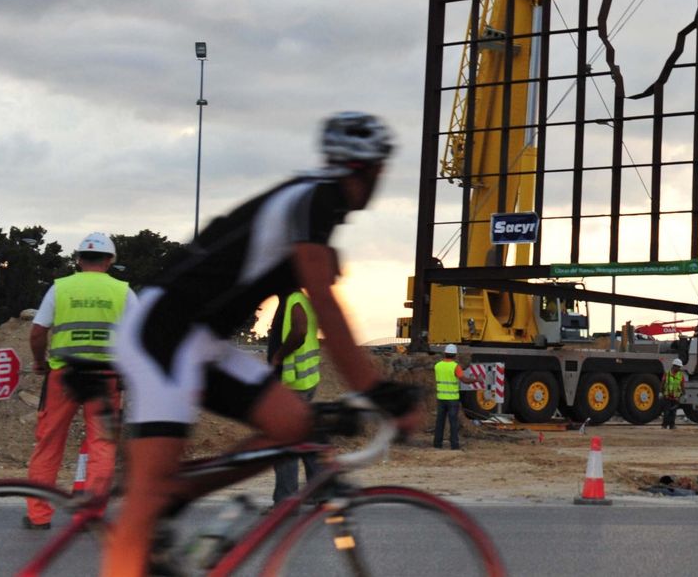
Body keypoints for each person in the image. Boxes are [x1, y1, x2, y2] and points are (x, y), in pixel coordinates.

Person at [104, 112, 421, 575]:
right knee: (146, 495)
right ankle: (150, 518)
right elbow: (326, 308)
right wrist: (378, 391)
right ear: (367, 170)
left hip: (199, 340)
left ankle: (179, 497)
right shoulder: (313, 199)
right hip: (162, 333)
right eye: (379, 172)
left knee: (295, 425)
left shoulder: (315, 205)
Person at [24, 233, 137, 530]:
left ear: (78, 259)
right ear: (111, 260)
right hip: (106, 378)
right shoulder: (123, 291)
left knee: (48, 444)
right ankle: (89, 514)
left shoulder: (61, 288)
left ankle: (38, 516)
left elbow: (38, 332)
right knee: (101, 444)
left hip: (64, 375)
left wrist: (40, 362)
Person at [267, 290, 322, 504]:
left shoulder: (293, 299)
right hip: (304, 380)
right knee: (303, 436)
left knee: (285, 442)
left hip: (293, 382)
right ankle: (319, 489)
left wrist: (278, 356)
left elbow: (299, 332)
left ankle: (285, 501)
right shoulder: (300, 299)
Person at [433, 343, 477, 449]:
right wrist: (476, 380)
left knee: (440, 422)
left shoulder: (437, 366)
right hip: (452, 399)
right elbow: (464, 380)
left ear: (445, 353)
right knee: (453, 423)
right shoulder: (455, 366)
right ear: (455, 355)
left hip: (441, 398)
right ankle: (454, 445)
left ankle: (437, 444)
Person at [661, 358, 686, 429]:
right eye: (678, 367)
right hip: (667, 397)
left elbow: (682, 385)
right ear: (674, 366)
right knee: (666, 412)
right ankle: (664, 425)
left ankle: (672, 425)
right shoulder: (667, 374)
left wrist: (684, 394)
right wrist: (660, 392)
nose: (679, 368)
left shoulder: (680, 375)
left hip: (675, 398)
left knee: (673, 412)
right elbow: (662, 384)